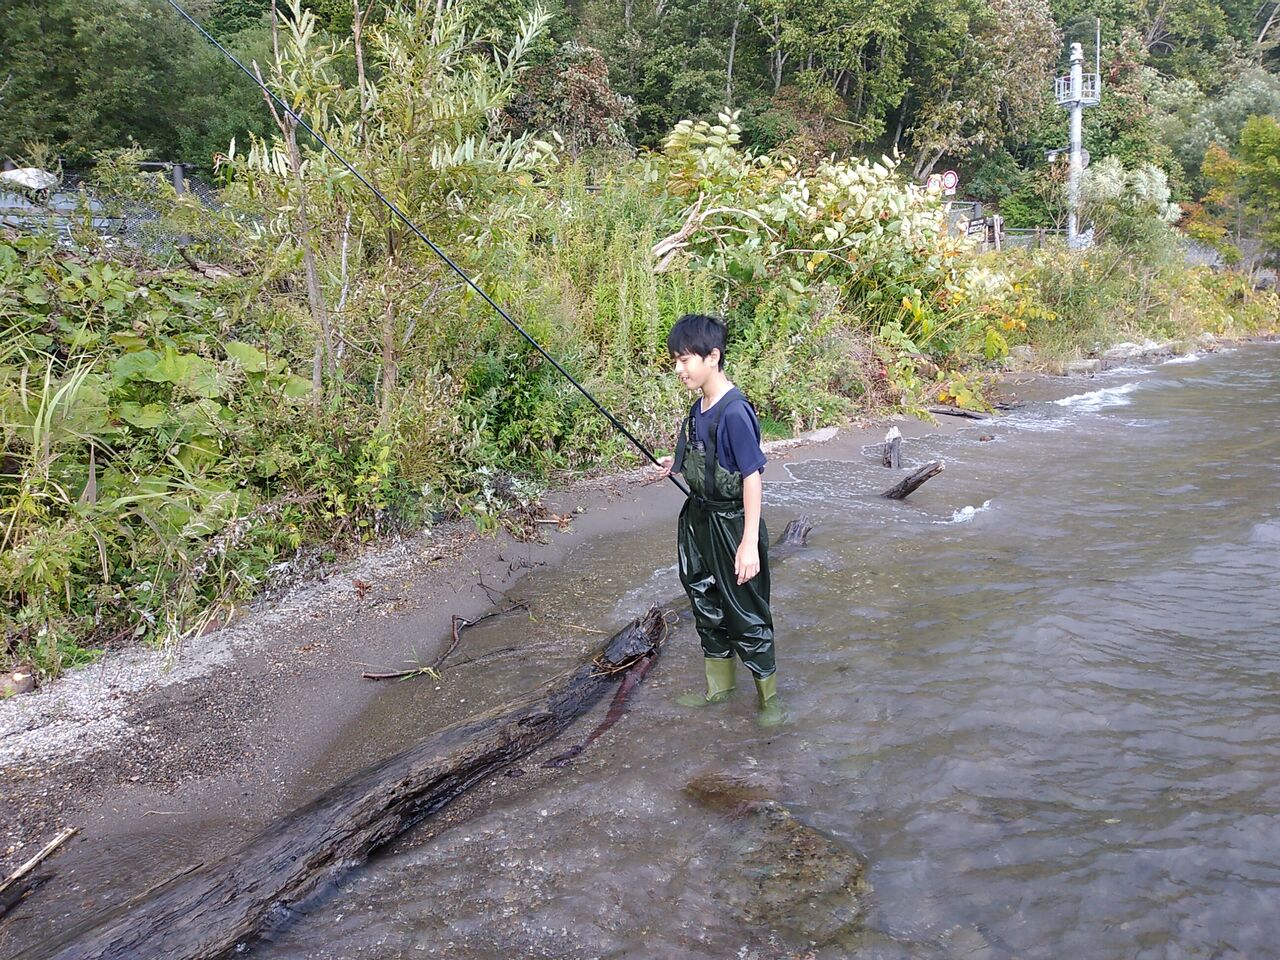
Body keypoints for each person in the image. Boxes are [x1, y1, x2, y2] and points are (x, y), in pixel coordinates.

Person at [654, 314, 783, 727]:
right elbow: (692, 458)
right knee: (705, 604)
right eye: (675, 361)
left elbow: (752, 478)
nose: (679, 370)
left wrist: (748, 544)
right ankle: (719, 690)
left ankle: (770, 703)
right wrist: (668, 465)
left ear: (713, 357)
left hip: (732, 526)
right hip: (697, 521)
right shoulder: (697, 410)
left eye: (685, 360)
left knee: (746, 612)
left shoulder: (735, 412)